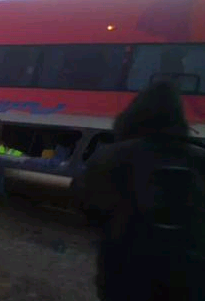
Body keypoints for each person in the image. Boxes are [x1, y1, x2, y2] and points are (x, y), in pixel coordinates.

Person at [77, 80, 205, 301]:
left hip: (126, 275)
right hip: (190, 280)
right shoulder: (199, 159)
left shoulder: (111, 156)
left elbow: (87, 206)